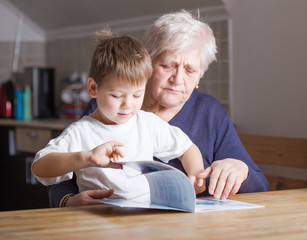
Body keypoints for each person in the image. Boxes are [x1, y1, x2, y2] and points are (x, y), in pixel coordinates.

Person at [48, 10, 269, 208]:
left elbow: (261, 188)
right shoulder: (107, 106)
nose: (177, 79)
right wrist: (68, 201)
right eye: (167, 65)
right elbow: (64, 173)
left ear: (200, 76)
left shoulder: (210, 112)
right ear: (147, 64)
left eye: (190, 70)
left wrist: (240, 169)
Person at [32, 30, 206, 205]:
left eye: (137, 95)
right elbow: (39, 167)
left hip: (144, 221)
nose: (128, 105)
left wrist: (195, 175)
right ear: (93, 88)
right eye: (116, 96)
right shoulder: (81, 131)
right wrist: (85, 158)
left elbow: (187, 148)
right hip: (99, 221)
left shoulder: (147, 123)